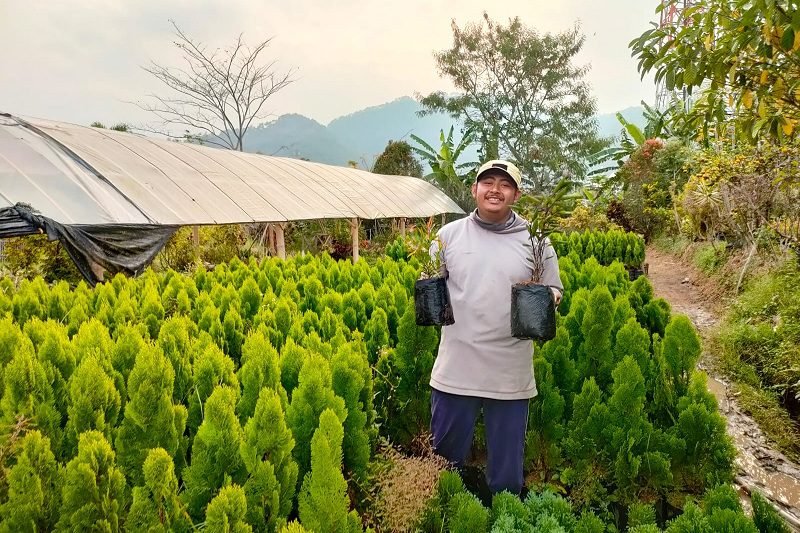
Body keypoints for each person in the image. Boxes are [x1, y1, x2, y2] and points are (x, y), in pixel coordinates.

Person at [429, 159, 563, 496]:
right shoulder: (447, 236)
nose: (495, 189)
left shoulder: (537, 242)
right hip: (455, 368)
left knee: (506, 472)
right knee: (444, 462)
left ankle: (503, 517)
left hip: (509, 371)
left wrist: (546, 298)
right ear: (474, 190)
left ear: (516, 194)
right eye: (487, 182)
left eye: (504, 184)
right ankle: (449, 515)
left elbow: (554, 289)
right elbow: (431, 285)